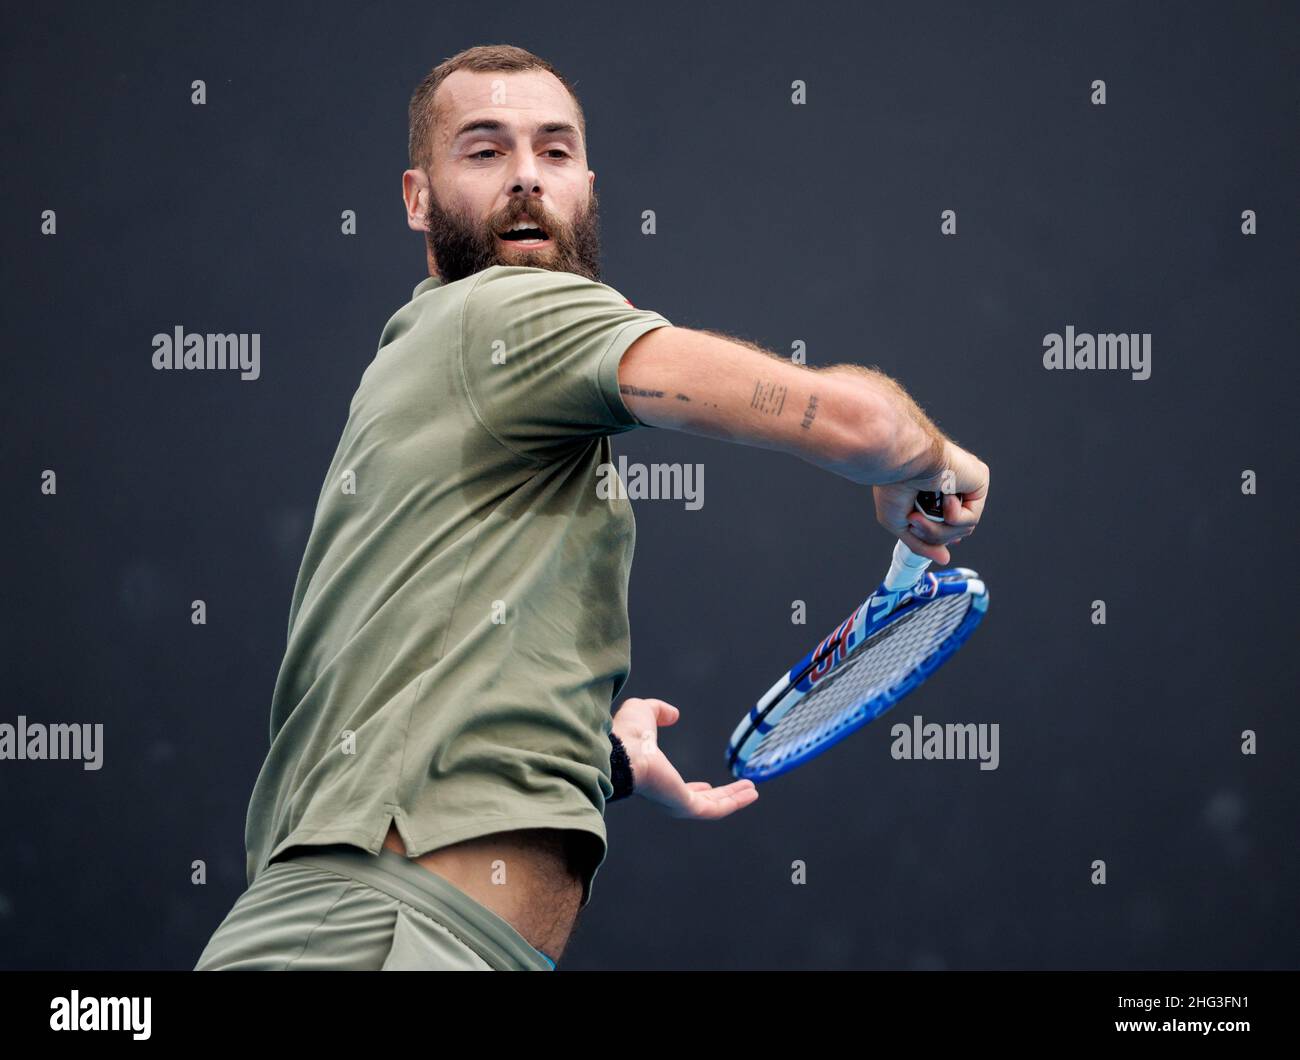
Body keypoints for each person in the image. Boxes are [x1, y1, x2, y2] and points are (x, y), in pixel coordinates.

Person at [195, 43, 989, 972]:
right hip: (372, 940)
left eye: (556, 151)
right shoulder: (506, 317)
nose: (527, 177)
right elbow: (857, 426)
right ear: (417, 198)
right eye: (484, 151)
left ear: (588, 184)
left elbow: (409, 666)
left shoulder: (448, 376)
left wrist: (589, 757)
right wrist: (929, 458)